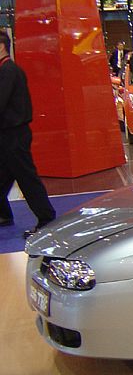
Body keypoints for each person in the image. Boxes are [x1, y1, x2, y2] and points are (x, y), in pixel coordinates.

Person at [0, 30, 56, 238]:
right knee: (4, 177)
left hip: (13, 135)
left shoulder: (8, 71)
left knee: (26, 178)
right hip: (8, 135)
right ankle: (4, 214)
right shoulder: (6, 70)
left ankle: (46, 218)